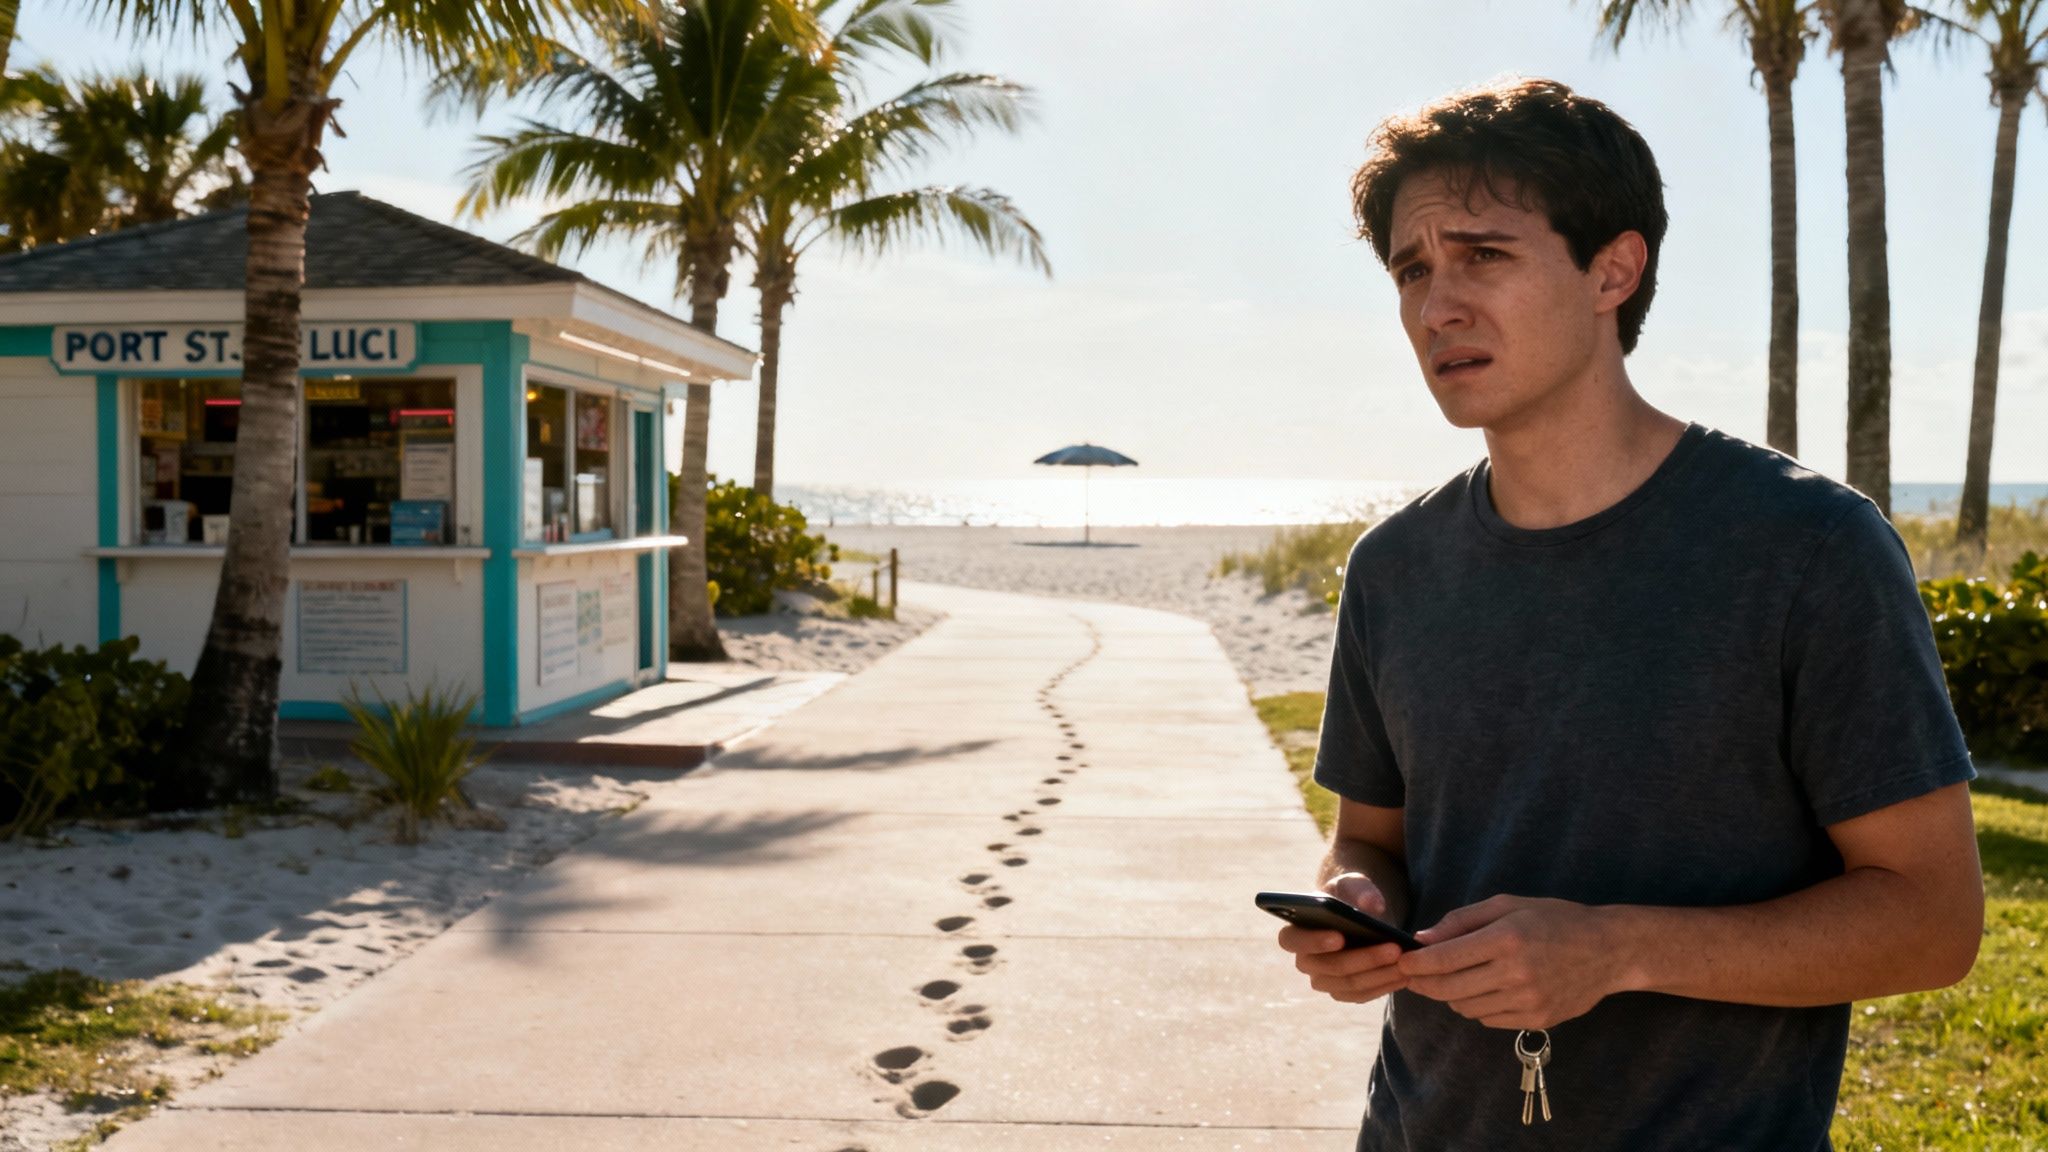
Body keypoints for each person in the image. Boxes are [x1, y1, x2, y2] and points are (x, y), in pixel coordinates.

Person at [1276, 77, 1984, 1150]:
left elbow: (1932, 921)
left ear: (1613, 269)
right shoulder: (1392, 567)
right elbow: (1368, 841)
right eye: (1411, 270)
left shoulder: (1809, 549)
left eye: (1482, 254)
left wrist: (1615, 950)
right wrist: (1356, 908)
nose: (1435, 307)